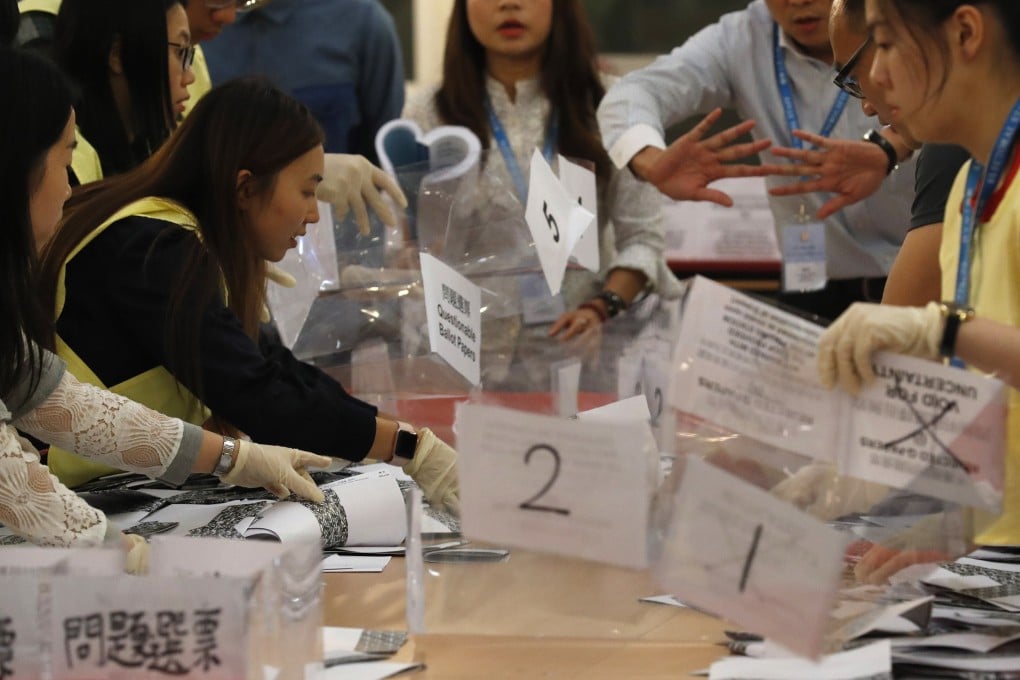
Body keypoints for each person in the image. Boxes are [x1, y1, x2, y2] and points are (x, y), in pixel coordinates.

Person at [37, 77, 459, 514]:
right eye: (308, 191)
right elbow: (261, 397)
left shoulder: (171, 236)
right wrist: (407, 447)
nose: (314, 214)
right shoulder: (152, 247)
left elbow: (273, 366)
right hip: (63, 492)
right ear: (245, 188)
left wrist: (399, 435)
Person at [0, 47, 329, 562]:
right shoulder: (160, 242)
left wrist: (232, 459)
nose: (69, 187)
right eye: (66, 161)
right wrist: (114, 552)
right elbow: (11, 481)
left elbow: (65, 405)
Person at [815, 0, 1020, 567]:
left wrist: (939, 329)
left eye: (883, 43)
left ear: (964, 32)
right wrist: (956, 535)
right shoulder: (968, 187)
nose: (875, 81)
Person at [403, 0, 707, 373]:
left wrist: (601, 309)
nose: (509, 5)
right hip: (464, 353)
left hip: (583, 349)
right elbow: (406, 243)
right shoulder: (428, 114)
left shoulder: (613, 105)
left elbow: (643, 240)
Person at [597, 0, 917, 321]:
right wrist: (650, 158)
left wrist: (889, 147)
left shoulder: (905, 18)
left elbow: (953, 104)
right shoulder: (743, 38)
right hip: (812, 286)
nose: (798, 2)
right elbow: (630, 95)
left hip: (922, 269)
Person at [766, 0, 970, 307]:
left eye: (886, 47)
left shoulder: (951, 149)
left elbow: (897, 327)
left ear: (966, 32)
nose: (867, 106)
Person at [202, 0, 404, 164]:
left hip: (330, 209)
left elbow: (381, 148)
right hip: (209, 209)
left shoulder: (363, 21)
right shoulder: (193, 20)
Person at [52, 0, 195, 180]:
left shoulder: (146, 155)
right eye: (181, 52)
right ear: (116, 54)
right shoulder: (68, 165)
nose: (190, 76)